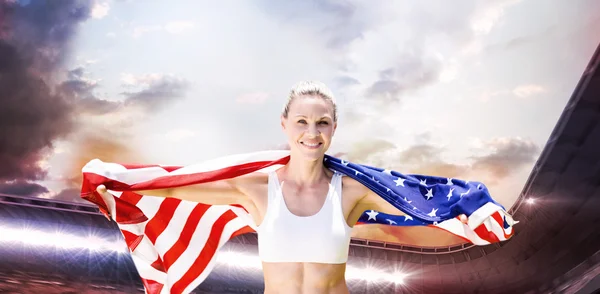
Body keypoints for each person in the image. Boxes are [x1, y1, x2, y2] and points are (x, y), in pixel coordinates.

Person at [96, 81, 468, 294]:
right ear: (285, 125)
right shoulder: (256, 189)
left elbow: (423, 203)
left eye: (322, 123)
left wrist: (477, 210)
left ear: (334, 129)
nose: (311, 132)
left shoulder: (352, 191)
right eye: (302, 121)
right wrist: (116, 181)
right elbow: (175, 188)